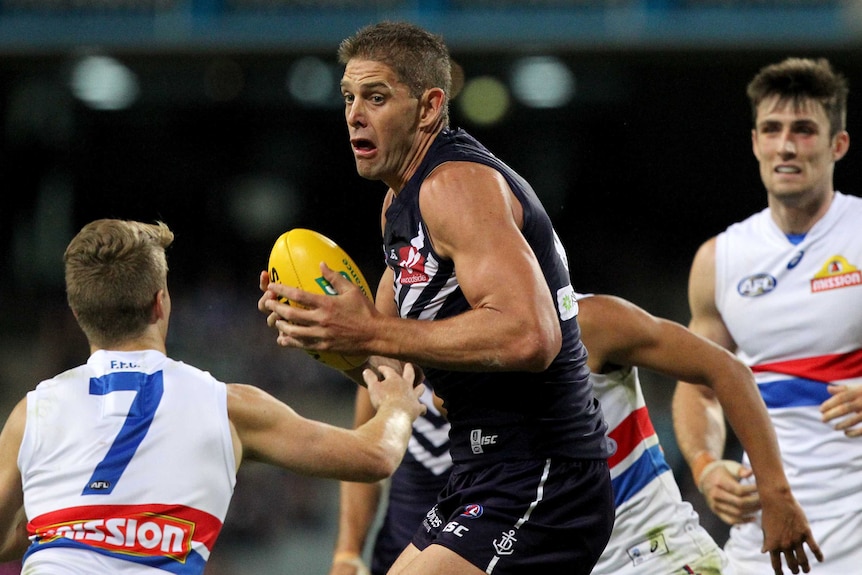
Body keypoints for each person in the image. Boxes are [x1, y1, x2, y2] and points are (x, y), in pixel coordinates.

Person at [259, 20, 616, 575]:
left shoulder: (454, 185)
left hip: (544, 474)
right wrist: (322, 333)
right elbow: (392, 375)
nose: (354, 113)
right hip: (481, 470)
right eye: (349, 97)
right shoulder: (397, 206)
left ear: (429, 107)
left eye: (376, 97)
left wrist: (368, 332)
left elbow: (532, 336)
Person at [0, 218, 427, 573]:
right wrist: (398, 404)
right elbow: (375, 456)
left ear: (78, 314)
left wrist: (63, 529)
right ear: (160, 304)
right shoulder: (227, 407)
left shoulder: (32, 413)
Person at [327, 293, 820, 575]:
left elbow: (727, 370)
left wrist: (776, 493)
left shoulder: (589, 322)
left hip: (656, 558)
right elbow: (371, 440)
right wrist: (349, 550)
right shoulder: (437, 361)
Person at [671, 56, 862, 573]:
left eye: (804, 130)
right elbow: (698, 387)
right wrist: (707, 467)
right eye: (773, 130)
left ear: (836, 144)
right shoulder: (721, 259)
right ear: (755, 141)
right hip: (764, 535)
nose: (786, 146)